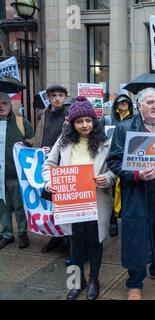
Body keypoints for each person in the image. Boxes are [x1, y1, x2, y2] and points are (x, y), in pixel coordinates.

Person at [107, 87, 155, 300]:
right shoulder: (126, 127)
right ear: (139, 105)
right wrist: (137, 174)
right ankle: (135, 284)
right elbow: (114, 160)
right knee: (137, 239)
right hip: (140, 195)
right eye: (150, 102)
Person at [42, 97, 115, 300]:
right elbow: (48, 165)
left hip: (97, 201)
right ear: (72, 124)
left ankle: (93, 279)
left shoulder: (105, 143)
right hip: (72, 203)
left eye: (88, 120)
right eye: (79, 121)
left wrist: (107, 178)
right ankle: (76, 281)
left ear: (94, 121)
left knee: (95, 242)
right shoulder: (63, 141)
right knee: (74, 243)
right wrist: (50, 182)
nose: (85, 125)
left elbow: (114, 169)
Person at [25, 84, 71, 254]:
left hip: (62, 164)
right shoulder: (43, 114)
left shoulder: (69, 115)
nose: (57, 98)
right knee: (50, 203)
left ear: (65, 97)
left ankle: (66, 237)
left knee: (62, 203)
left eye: (60, 95)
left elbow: (71, 138)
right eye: (54, 95)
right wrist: (27, 143)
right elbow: (38, 137)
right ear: (49, 98)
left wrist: (52, 148)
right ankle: (55, 236)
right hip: (46, 165)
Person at [0, 92, 35, 250]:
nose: (1, 106)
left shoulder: (22, 123)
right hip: (0, 175)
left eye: (4, 103)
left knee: (19, 204)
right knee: (2, 205)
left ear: (10, 105)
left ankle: (22, 233)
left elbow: (35, 140)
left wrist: (27, 142)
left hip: (17, 174)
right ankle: (7, 233)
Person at [102, 94, 134, 238]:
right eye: (121, 102)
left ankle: (123, 218)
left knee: (125, 192)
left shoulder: (134, 120)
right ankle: (113, 222)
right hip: (111, 160)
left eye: (126, 102)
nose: (123, 104)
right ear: (116, 105)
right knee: (111, 192)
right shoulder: (108, 119)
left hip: (127, 161)